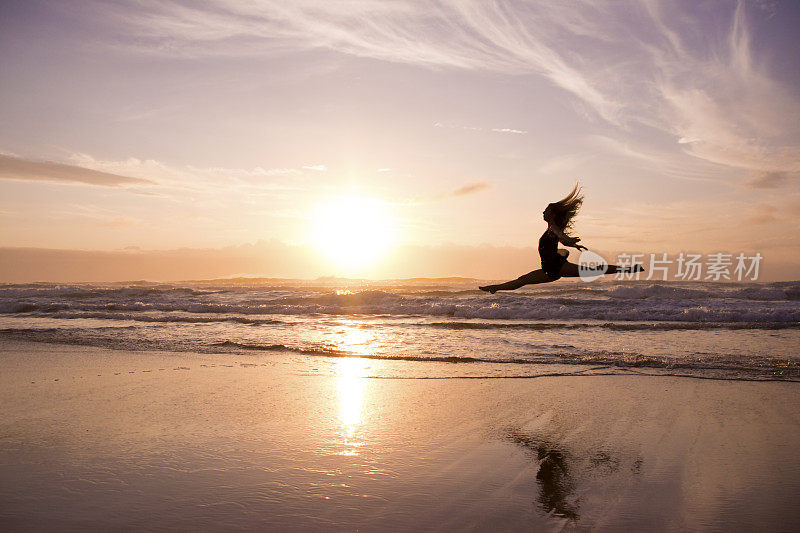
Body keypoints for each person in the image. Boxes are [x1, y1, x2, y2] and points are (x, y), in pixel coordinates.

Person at [479, 184, 643, 293]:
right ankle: (494, 288)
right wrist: (566, 245)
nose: (543, 213)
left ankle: (629, 269)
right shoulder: (550, 229)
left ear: (552, 214)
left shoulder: (553, 228)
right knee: (522, 280)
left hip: (556, 268)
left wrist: (568, 241)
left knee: (594, 270)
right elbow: (560, 239)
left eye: (546, 211)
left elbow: (561, 236)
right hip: (548, 269)